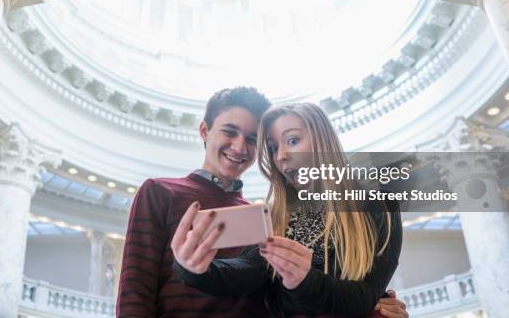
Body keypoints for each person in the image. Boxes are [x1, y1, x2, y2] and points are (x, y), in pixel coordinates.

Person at [117, 90, 407, 317]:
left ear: (322, 139)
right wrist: (191, 269)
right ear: (205, 131)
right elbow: (137, 291)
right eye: (273, 147)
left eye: (292, 140)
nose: (279, 156)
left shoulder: (376, 203)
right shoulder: (275, 216)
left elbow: (367, 293)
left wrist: (375, 304)